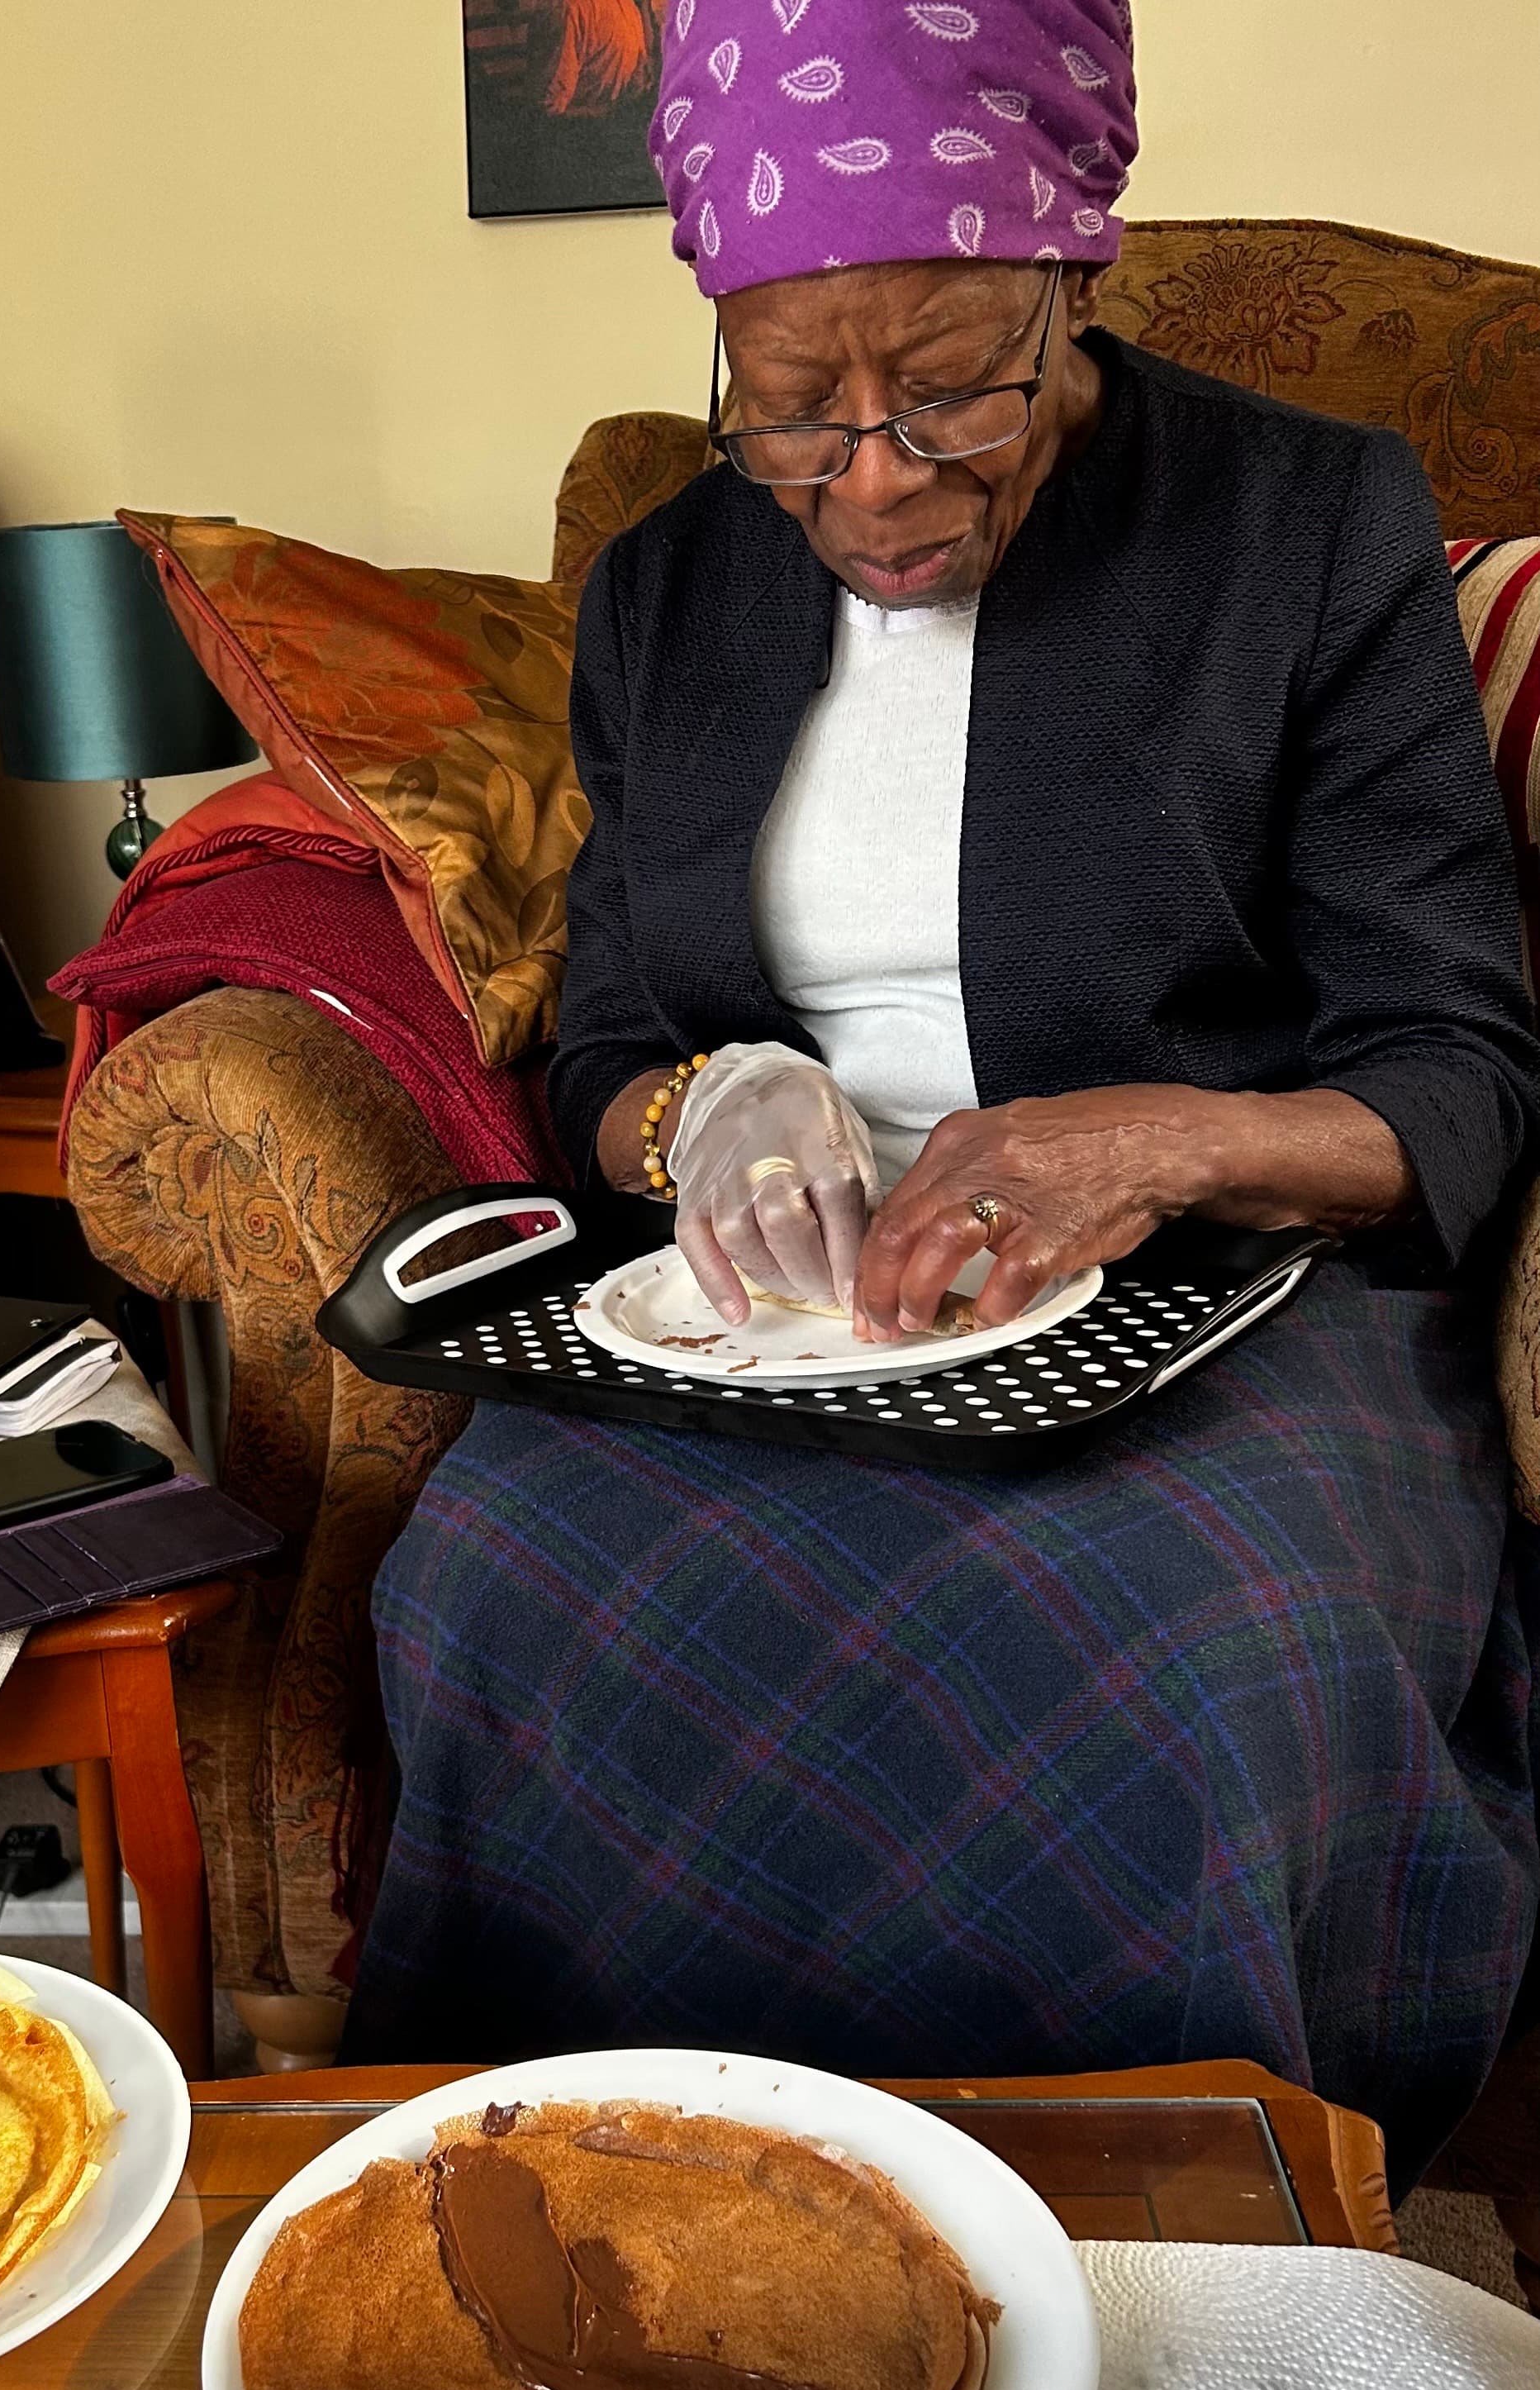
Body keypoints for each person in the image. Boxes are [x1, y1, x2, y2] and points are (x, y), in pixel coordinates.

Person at [345, 0, 1540, 2188]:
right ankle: (601, 2214)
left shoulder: (1301, 520)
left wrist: (1168, 1137)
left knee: (1180, 1655)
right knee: (490, 1569)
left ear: (1070, 286)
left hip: (1231, 1298)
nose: (871, 476)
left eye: (955, 390)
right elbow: (602, 1045)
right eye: (794, 410)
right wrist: (715, 1107)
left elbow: (1451, 1068)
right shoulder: (664, 584)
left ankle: (1161, 2239)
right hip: (788, 1307)